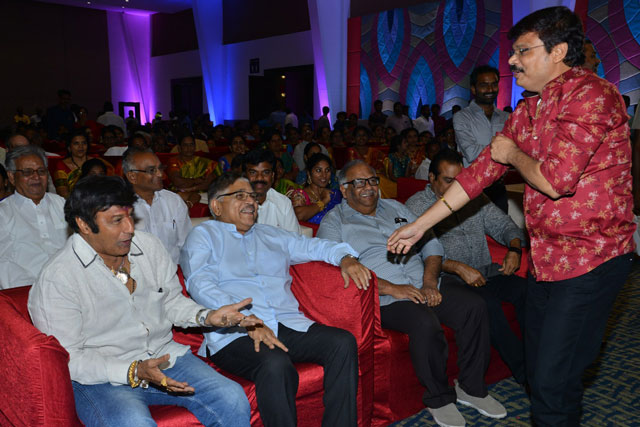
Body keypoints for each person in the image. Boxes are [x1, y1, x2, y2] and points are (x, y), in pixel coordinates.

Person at [387, 7, 634, 426]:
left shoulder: (593, 95)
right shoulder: (530, 108)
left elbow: (555, 181)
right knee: (539, 372)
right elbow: (478, 173)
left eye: (523, 50)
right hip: (547, 261)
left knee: (554, 382)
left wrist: (512, 154)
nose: (512, 60)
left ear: (558, 51)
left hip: (592, 260)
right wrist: (419, 226)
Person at [28, 175, 258, 427]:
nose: (129, 228)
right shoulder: (58, 278)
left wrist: (209, 316)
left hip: (164, 357)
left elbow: (171, 302)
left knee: (232, 397)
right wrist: (134, 370)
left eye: (130, 216)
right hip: (100, 378)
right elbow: (69, 359)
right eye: (117, 220)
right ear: (83, 224)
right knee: (134, 423)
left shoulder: (148, 247)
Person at [318, 160, 506, 427]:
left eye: (372, 180)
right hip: (383, 295)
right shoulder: (335, 221)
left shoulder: (396, 207)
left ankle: (471, 388)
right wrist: (394, 289)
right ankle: (439, 398)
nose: (368, 187)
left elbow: (432, 245)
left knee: (473, 306)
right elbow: (333, 268)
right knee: (423, 321)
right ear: (344, 190)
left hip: (424, 282)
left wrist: (429, 282)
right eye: (358, 183)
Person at [180, 171, 370, 427]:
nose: (251, 201)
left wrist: (345, 257)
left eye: (252, 196)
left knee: (342, 342)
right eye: (240, 196)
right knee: (275, 363)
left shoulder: (272, 234)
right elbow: (200, 284)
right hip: (234, 334)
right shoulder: (203, 236)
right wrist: (245, 319)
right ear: (216, 206)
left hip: (286, 324)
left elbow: (314, 246)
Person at [406, 149, 527, 385]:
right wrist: (457, 267)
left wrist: (514, 249)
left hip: (485, 271)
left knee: (530, 292)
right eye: (447, 180)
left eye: (459, 181)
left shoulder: (473, 197)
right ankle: (525, 372)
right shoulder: (417, 206)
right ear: (431, 178)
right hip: (450, 279)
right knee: (488, 306)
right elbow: (419, 253)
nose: (455, 187)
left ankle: (540, 357)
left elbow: (504, 225)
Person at [0, 146, 67, 289]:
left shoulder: (62, 204)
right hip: (28, 289)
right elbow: (3, 264)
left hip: (73, 284)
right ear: (11, 177)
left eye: (41, 171)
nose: (36, 177)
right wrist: (39, 289)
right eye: (27, 172)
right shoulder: (3, 213)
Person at [453, 65, 511, 213]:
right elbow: (471, 153)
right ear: (473, 89)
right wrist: (504, 153)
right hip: (472, 187)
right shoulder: (462, 117)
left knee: (503, 226)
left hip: (499, 188)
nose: (490, 89)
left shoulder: (507, 118)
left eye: (494, 84)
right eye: (484, 85)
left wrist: (509, 154)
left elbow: (516, 150)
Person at [124, 148, 191, 265]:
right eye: (152, 170)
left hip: (174, 270)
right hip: (137, 272)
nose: (160, 174)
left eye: (160, 168)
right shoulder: (121, 206)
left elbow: (187, 245)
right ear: (132, 177)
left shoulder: (173, 201)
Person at [242, 149, 301, 234]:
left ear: (273, 176)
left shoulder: (283, 203)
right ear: (245, 176)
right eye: (253, 172)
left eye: (265, 172)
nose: (259, 178)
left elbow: (294, 239)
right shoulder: (234, 204)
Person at [53, 129, 113, 198]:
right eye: (76, 143)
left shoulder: (97, 161)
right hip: (73, 201)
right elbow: (62, 193)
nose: (80, 147)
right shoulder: (62, 166)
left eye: (84, 143)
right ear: (69, 147)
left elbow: (111, 184)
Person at [167, 132, 220, 208]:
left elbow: (210, 183)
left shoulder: (204, 162)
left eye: (191, 145)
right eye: (185, 145)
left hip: (202, 194)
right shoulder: (174, 161)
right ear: (179, 148)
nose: (189, 148)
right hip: (180, 195)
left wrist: (191, 188)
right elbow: (178, 182)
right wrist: (197, 180)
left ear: (195, 147)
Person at [287, 153, 341, 223]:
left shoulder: (333, 194)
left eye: (327, 170)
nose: (324, 175)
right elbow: (298, 216)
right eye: (318, 170)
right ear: (309, 173)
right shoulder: (300, 195)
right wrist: (324, 201)